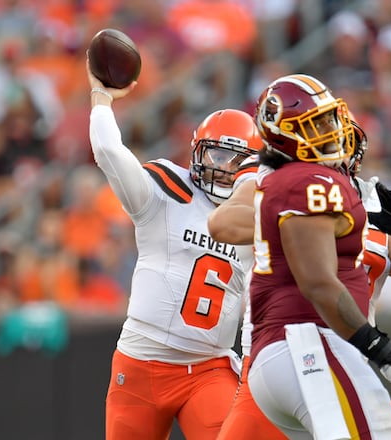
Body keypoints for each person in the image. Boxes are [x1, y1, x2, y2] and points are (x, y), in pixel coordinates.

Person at [210, 119, 391, 439]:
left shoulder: (370, 211)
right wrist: (294, 208)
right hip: (283, 358)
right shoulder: (277, 186)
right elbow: (223, 224)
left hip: (348, 363)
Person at [87, 62, 261, 439]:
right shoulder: (165, 192)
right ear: (198, 153)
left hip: (207, 369)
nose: (224, 170)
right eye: (217, 157)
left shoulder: (255, 217)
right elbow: (107, 149)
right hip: (140, 363)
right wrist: (101, 97)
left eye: (238, 162)